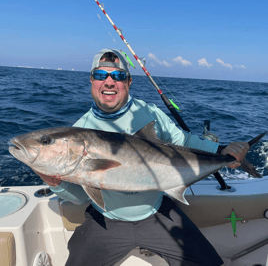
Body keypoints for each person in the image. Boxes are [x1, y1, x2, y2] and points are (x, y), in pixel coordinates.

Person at [41, 49, 249, 266]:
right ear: (92, 80)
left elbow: (185, 142)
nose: (109, 82)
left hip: (157, 213)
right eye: (101, 75)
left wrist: (220, 151)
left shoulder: (150, 113)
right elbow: (81, 196)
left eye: (118, 76)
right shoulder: (79, 130)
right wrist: (53, 182)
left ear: (129, 82)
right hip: (107, 219)